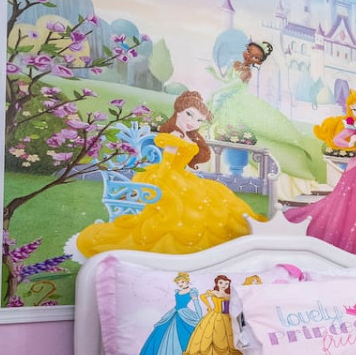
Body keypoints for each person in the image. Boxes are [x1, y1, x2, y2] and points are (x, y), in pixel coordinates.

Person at [73, 92, 262, 259]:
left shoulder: (188, 136)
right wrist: (161, 180)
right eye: (189, 114)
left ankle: (242, 230)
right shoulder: (174, 136)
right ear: (178, 111)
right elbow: (166, 162)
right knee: (190, 202)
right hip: (166, 175)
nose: (192, 122)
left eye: (199, 120)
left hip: (181, 175)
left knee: (217, 193)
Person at [285, 92, 356, 254]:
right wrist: (351, 143)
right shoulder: (353, 127)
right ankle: (343, 242)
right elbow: (338, 140)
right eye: (354, 109)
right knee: (345, 203)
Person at [133, 272, 201, 355]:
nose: (180, 284)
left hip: (185, 314)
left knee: (188, 337)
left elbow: (196, 304)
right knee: (160, 335)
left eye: (182, 282)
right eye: (178, 283)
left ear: (187, 281)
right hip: (174, 313)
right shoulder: (177, 292)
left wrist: (199, 316)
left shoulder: (192, 291)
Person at [178, 275, 250, 355]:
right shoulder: (214, 293)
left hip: (228, 317)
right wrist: (209, 307)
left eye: (226, 283)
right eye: (221, 283)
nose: (224, 285)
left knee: (230, 338)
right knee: (210, 338)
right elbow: (203, 296)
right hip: (215, 316)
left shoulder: (229, 295)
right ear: (217, 283)